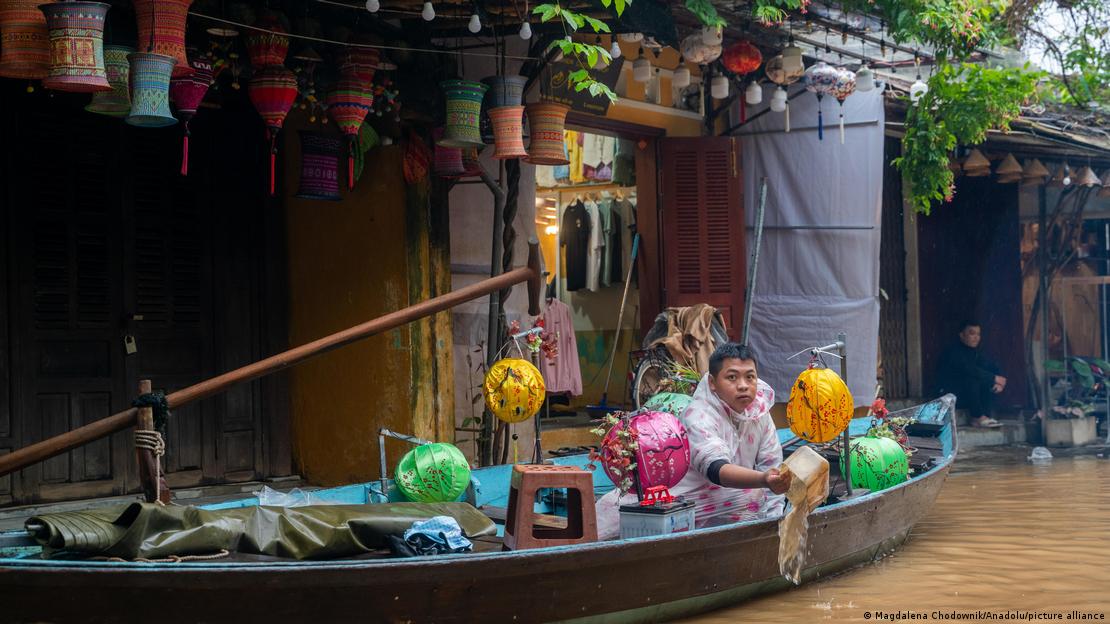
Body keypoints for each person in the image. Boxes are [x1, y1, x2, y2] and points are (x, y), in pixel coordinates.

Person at [595, 342, 791, 539]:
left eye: (750, 377)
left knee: (762, 496)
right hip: (677, 501)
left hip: (726, 501)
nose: (743, 385)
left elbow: (772, 465)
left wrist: (777, 525)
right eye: (732, 377)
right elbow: (715, 469)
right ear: (713, 383)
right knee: (753, 494)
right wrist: (763, 480)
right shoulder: (698, 414)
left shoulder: (760, 413)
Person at [935, 320, 1007, 428]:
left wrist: (997, 382)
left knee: (987, 380)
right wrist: (994, 378)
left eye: (978, 334)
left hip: (966, 396)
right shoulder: (953, 351)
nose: (976, 337)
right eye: (972, 333)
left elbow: (990, 366)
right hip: (948, 396)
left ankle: (982, 417)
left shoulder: (976, 352)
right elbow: (968, 369)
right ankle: (978, 417)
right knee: (973, 378)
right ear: (962, 335)